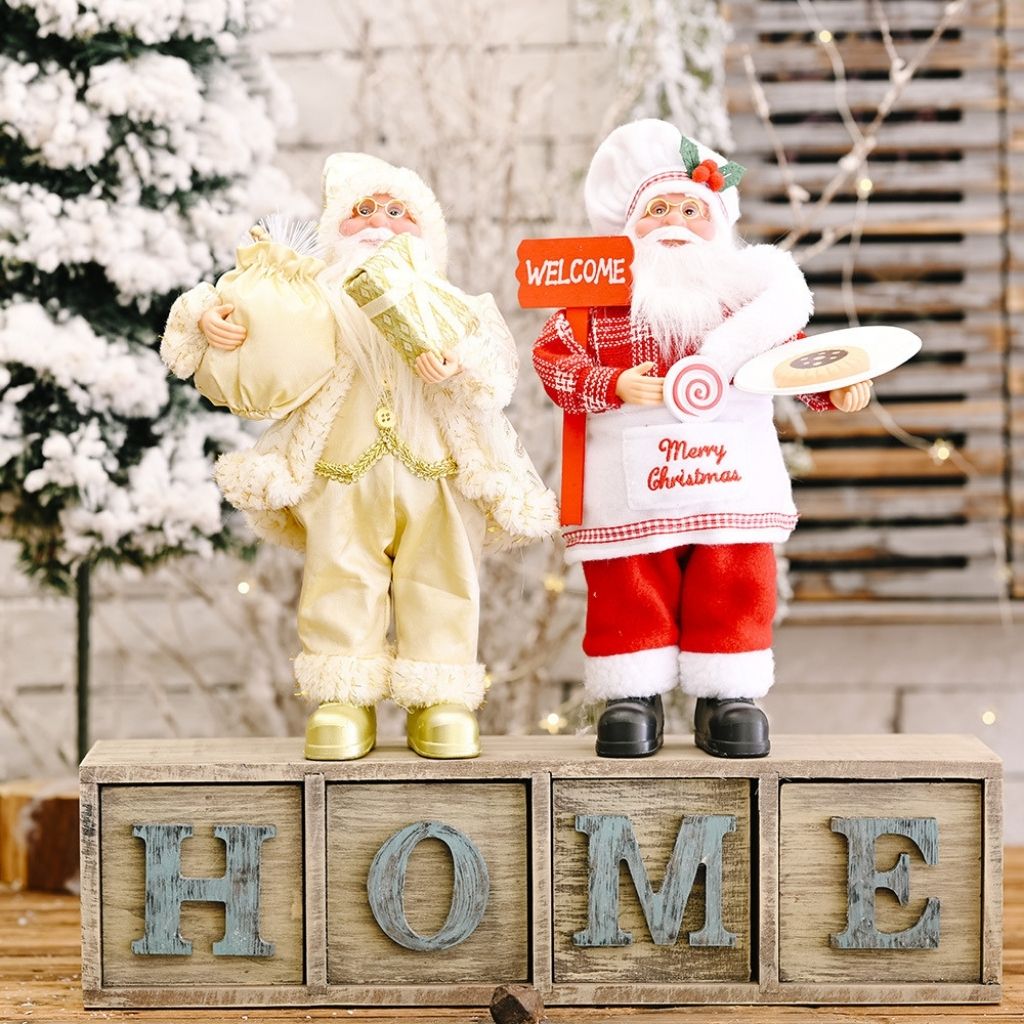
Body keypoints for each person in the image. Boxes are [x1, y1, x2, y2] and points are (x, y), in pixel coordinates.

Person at [162, 153, 556, 761]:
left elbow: (498, 371)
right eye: (362, 211)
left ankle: (440, 695)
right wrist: (211, 321)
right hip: (343, 469)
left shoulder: (455, 306)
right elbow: (255, 317)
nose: (380, 223)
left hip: (439, 471)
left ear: (427, 233)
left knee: (443, 578)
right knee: (340, 575)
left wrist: (459, 364)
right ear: (333, 228)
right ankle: (343, 697)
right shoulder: (311, 300)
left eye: (399, 212)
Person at [532, 119, 871, 759]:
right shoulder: (598, 305)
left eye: (691, 209)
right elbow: (553, 361)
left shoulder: (743, 307)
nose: (674, 223)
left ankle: (729, 695)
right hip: (629, 492)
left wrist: (837, 389)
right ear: (628, 228)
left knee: (735, 581)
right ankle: (633, 695)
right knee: (629, 587)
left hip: (731, 487)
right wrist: (609, 384)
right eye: (657, 210)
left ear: (718, 223)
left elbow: (793, 361)